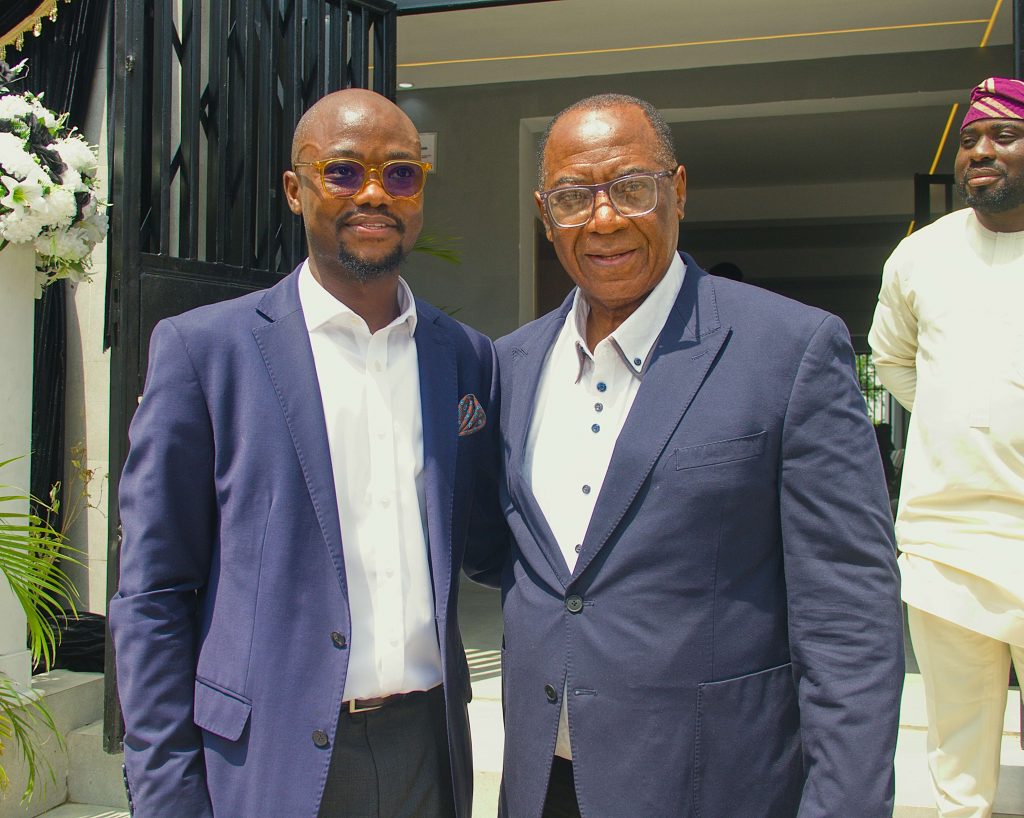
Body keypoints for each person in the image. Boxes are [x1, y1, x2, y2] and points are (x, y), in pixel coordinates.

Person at [494, 93, 903, 818]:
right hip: (542, 784)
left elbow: (849, 620)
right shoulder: (510, 366)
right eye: (573, 197)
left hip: (712, 785)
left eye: (631, 187)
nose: (604, 219)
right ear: (545, 213)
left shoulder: (790, 352)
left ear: (677, 190)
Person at [109, 89, 505, 818]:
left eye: (400, 173)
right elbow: (153, 595)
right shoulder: (206, 353)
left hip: (429, 752)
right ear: (296, 190)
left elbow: (489, 543)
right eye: (343, 172)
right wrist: (166, 793)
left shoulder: (463, 356)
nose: (374, 194)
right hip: (268, 758)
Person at [869, 76, 1024, 818]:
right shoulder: (919, 257)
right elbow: (891, 360)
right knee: (958, 766)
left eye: (1004, 135)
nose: (980, 151)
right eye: (970, 140)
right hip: (947, 539)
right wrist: (957, 419)